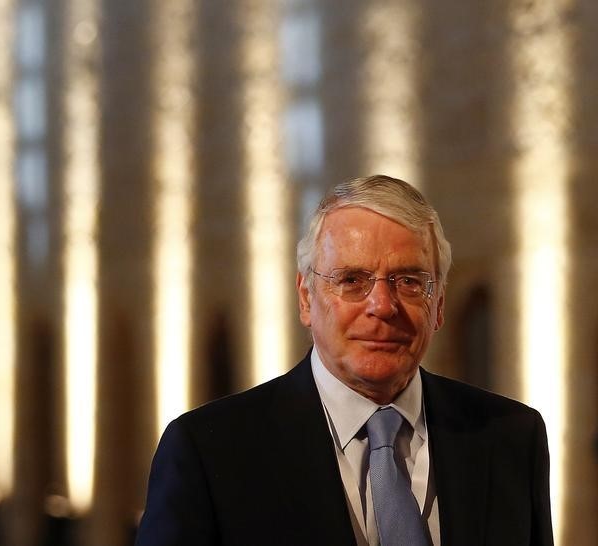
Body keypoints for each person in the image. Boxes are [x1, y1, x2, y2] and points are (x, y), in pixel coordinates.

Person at [135, 175, 553, 546]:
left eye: (409, 281)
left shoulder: (512, 438)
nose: (383, 305)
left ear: (439, 303)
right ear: (305, 298)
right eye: (352, 280)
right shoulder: (209, 452)